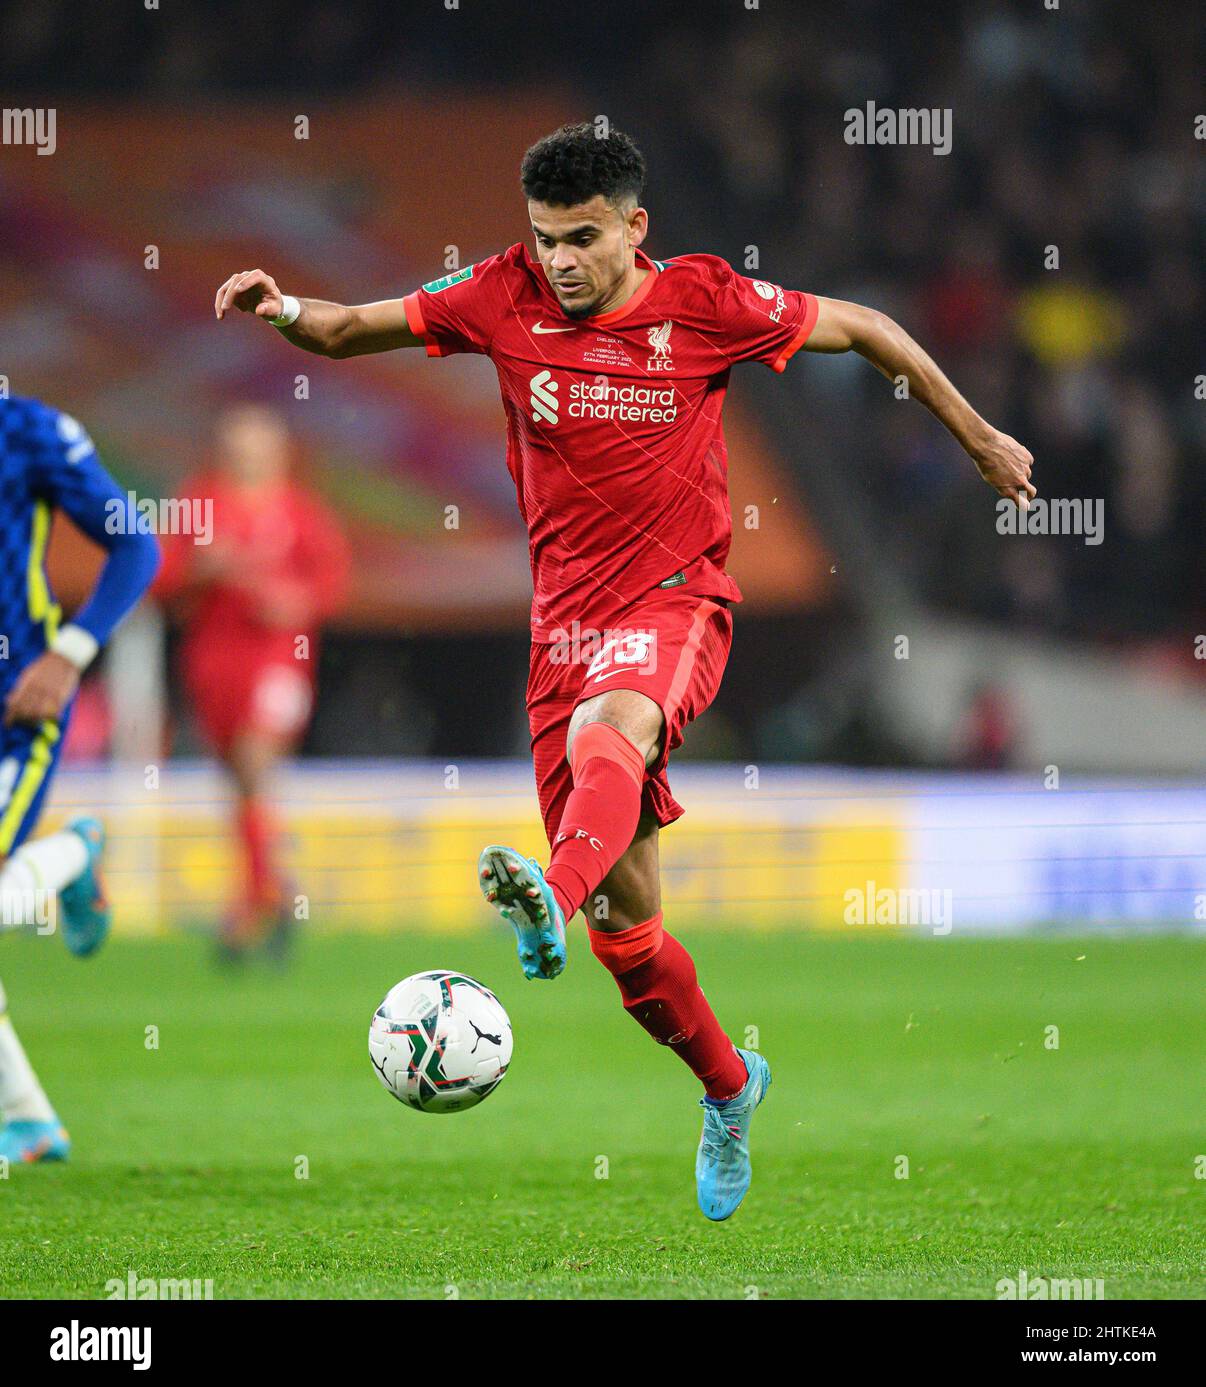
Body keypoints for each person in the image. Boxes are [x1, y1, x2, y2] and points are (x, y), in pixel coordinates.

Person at [213, 122, 1035, 1219]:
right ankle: (732, 1088)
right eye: (546, 238)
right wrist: (281, 312)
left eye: (584, 238)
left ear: (635, 227)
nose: (559, 260)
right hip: (560, 633)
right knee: (630, 937)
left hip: (677, 600)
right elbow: (354, 326)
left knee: (616, 729)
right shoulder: (498, 293)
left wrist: (976, 433)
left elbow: (870, 327)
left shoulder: (704, 301)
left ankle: (541, 897)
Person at [0, 395, 160, 1163]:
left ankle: (74, 854)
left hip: (15, 711)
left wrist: (68, 653)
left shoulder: (27, 432)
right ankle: (28, 1120)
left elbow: (136, 545)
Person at [155, 405, 350, 960]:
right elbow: (161, 578)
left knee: (254, 763)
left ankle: (249, 907)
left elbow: (330, 584)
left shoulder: (300, 511)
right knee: (240, 786)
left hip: (280, 661)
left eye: (259, 444)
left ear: (279, 451)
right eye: (239, 444)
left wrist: (294, 602)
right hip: (214, 664)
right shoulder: (200, 502)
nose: (249, 454)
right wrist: (201, 570)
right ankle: (273, 895)